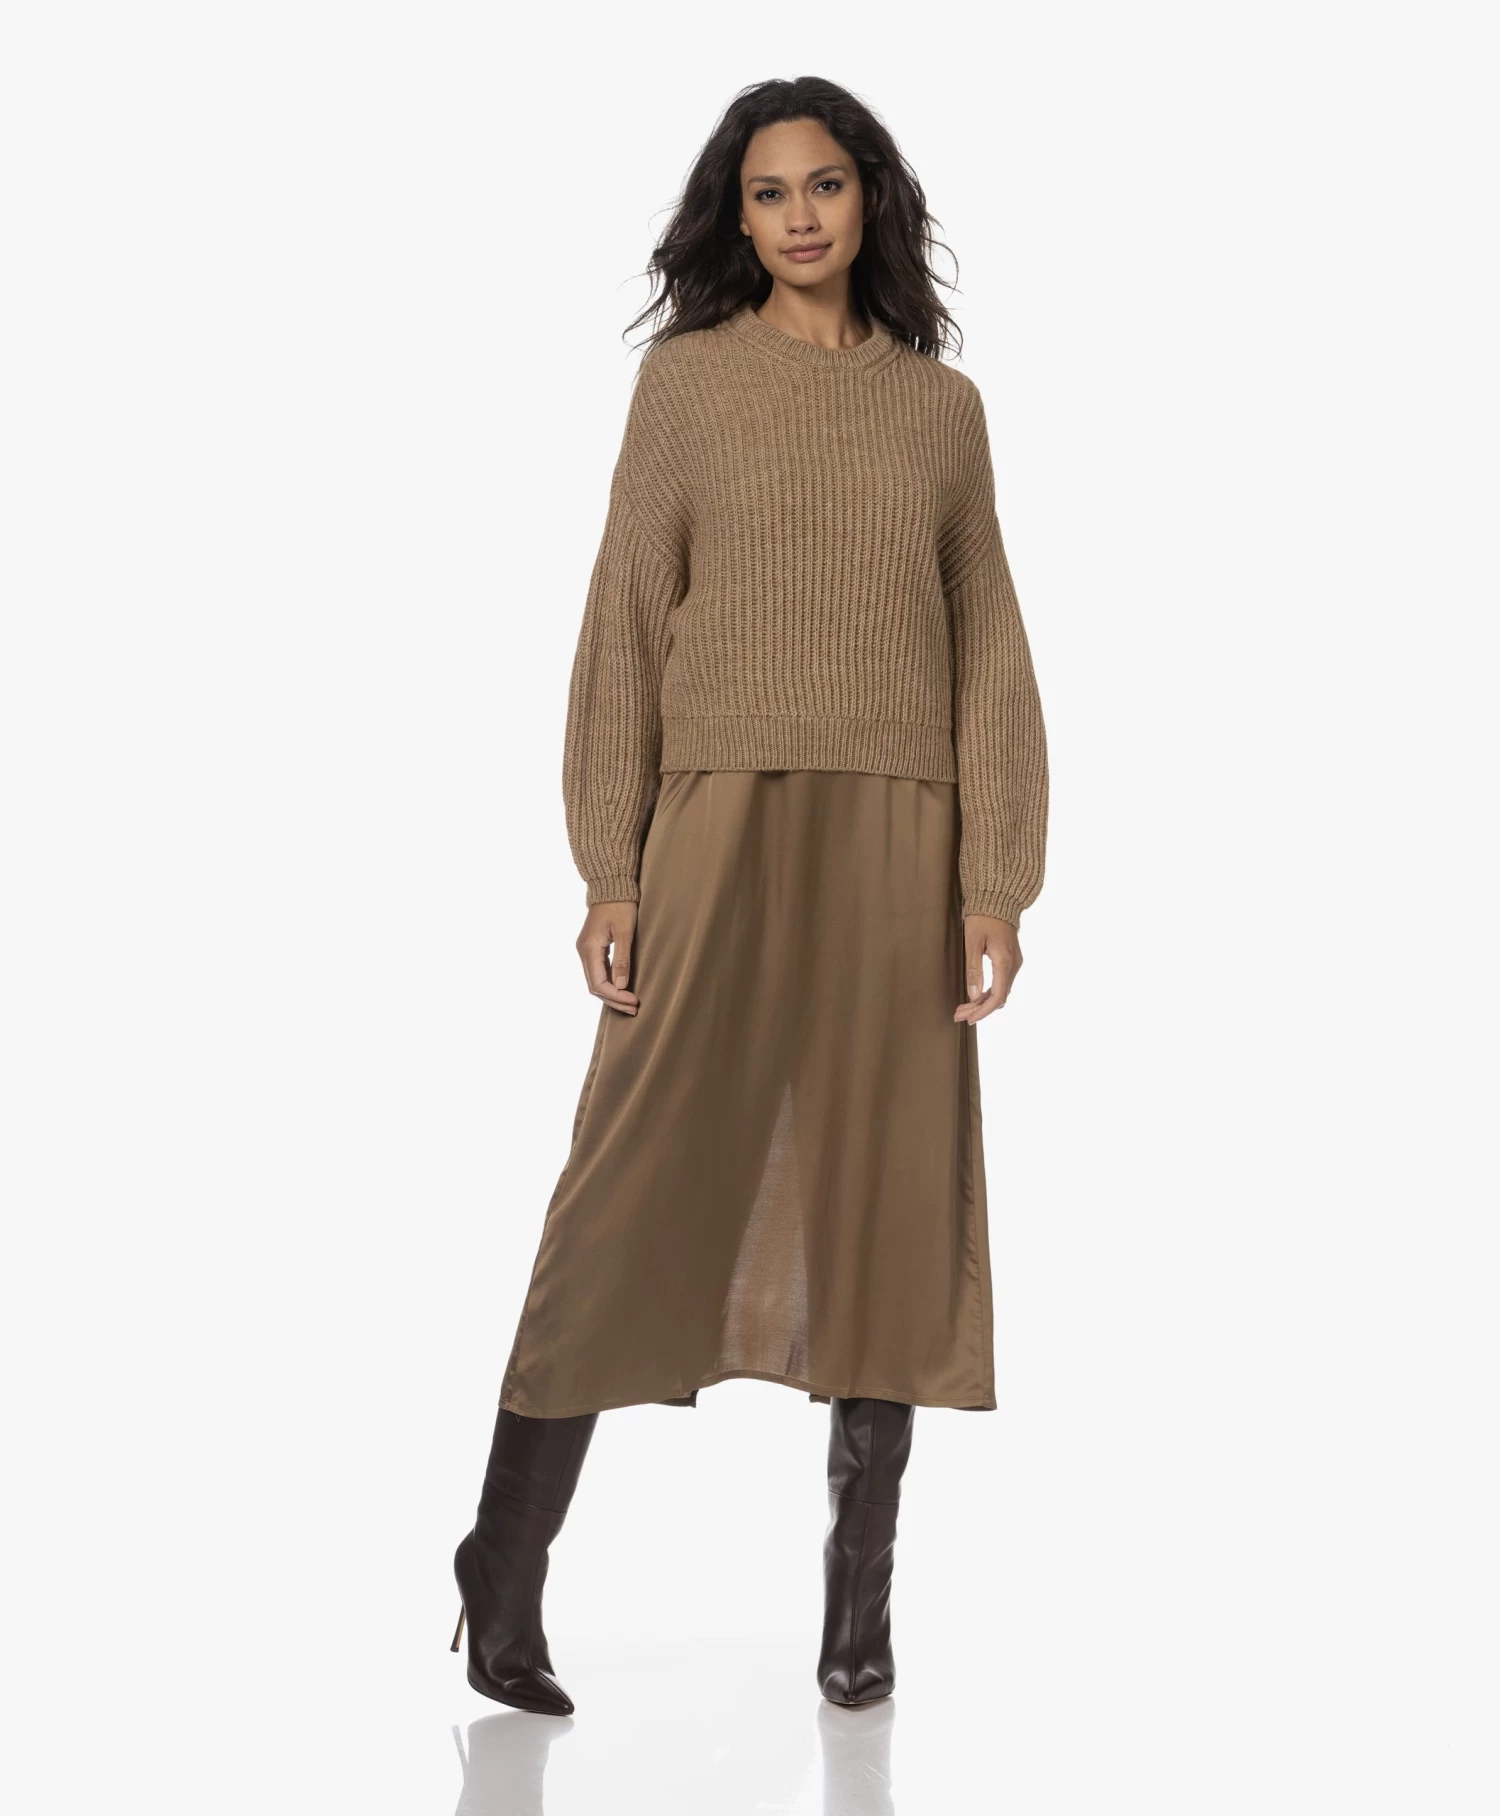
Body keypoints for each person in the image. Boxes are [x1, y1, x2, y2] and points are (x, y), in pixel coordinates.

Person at [450, 74, 1049, 1716]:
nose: (799, 215)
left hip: (902, 834)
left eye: (826, 185)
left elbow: (989, 646)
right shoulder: (688, 388)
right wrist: (611, 860)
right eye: (769, 191)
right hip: (715, 821)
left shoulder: (942, 411)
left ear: (870, 202)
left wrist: (995, 877)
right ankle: (503, 1559)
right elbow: (625, 614)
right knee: (629, 1172)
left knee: (887, 1189)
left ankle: (860, 1614)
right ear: (738, 214)